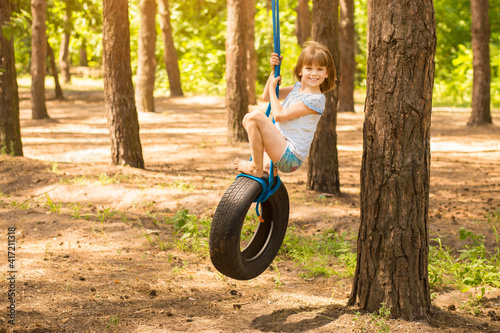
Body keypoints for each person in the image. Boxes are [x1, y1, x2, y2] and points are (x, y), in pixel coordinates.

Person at [233, 41, 336, 178]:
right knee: (248, 118)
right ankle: (267, 165)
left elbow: (279, 116)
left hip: (290, 157)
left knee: (255, 116)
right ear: (300, 70)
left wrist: (272, 87)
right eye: (309, 68)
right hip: (280, 147)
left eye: (320, 69)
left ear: (327, 73)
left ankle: (256, 167)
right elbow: (267, 97)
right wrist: (272, 73)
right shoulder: (296, 89)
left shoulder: (315, 100)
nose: (314, 74)